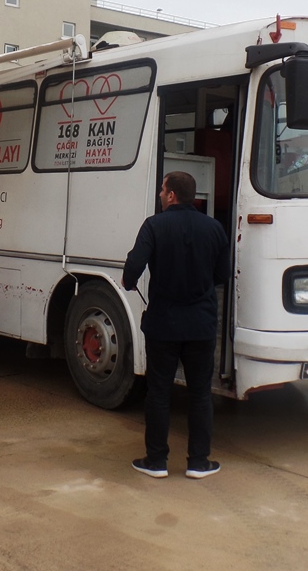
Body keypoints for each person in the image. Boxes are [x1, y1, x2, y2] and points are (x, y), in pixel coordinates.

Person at [121, 171, 231, 479]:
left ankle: (156, 461)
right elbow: (223, 274)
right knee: (199, 393)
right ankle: (199, 462)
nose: (159, 195)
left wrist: (129, 282)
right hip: (201, 324)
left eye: (162, 190)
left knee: (158, 391)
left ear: (171, 195)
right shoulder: (214, 228)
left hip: (163, 324)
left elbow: (133, 267)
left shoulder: (154, 225)